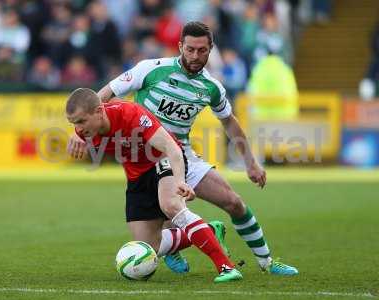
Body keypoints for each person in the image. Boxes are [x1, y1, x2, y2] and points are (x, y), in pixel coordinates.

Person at [69, 22, 298, 275]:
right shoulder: (151, 69)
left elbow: (229, 122)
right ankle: (182, 244)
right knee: (161, 223)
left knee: (233, 203)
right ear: (180, 47)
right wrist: (79, 134)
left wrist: (250, 162)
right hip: (146, 159)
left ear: (211, 49)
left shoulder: (212, 87)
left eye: (202, 50)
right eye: (189, 49)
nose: (195, 56)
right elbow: (103, 95)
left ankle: (267, 262)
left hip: (180, 154)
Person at [66, 87, 242, 283]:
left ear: (100, 111)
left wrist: (180, 180)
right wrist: (77, 134)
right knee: (151, 246)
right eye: (74, 124)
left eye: (81, 121)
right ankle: (209, 231)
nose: (78, 128)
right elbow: (81, 133)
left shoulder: (130, 114)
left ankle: (226, 267)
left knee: (171, 205)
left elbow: (171, 147)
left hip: (162, 158)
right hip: (136, 175)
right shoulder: (85, 131)